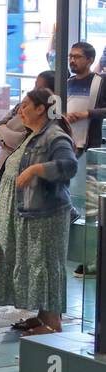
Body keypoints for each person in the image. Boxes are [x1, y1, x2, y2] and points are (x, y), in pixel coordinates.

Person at [0, 88, 77, 336]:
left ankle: (52, 323)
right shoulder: (33, 135)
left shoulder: (55, 136)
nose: (20, 110)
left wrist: (37, 169)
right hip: (27, 213)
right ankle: (42, 316)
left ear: (41, 109)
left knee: (45, 263)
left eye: (26, 105)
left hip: (45, 215)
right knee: (31, 262)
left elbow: (69, 166)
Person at [63, 42, 106, 277]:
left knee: (93, 205)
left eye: (77, 57)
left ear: (89, 60)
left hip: (90, 150)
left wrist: (86, 114)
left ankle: (93, 260)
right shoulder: (67, 83)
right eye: (70, 56)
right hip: (68, 147)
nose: (72, 61)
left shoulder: (100, 83)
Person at [0, 71, 56, 174]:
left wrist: (2, 131)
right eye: (35, 86)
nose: (34, 91)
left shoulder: (48, 124)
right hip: (3, 168)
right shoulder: (20, 107)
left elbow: (19, 141)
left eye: (39, 88)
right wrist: (1, 131)